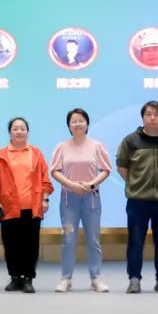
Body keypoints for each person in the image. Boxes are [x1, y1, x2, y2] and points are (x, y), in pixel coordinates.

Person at [116, 100, 158, 294]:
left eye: (157, 114)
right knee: (136, 241)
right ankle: (134, 279)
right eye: (148, 114)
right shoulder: (130, 140)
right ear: (143, 117)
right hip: (138, 200)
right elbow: (122, 167)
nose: (152, 118)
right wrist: (136, 184)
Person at [0, 117, 53, 293]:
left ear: (27, 131)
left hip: (32, 207)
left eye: (22, 128)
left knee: (31, 244)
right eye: (15, 128)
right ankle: (15, 277)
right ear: (10, 132)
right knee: (11, 244)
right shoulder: (0, 155)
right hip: (8, 207)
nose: (19, 131)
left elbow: (45, 180)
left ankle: (28, 279)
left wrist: (45, 199)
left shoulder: (36, 153)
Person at [50, 108, 112, 292]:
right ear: (69, 125)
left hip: (91, 199)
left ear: (87, 123)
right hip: (69, 200)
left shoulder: (97, 146)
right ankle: (66, 279)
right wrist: (71, 185)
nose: (78, 124)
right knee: (69, 238)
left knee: (93, 239)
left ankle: (96, 278)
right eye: (74, 121)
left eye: (81, 120)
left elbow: (106, 170)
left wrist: (91, 184)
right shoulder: (62, 147)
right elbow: (55, 171)